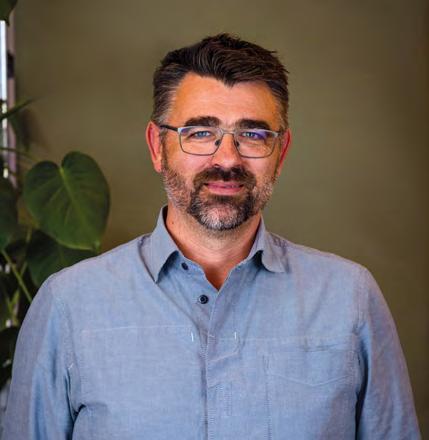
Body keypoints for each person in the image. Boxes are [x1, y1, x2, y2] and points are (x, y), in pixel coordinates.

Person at [3, 34, 421, 439]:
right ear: (157, 146)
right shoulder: (69, 306)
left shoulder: (350, 299)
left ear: (281, 152)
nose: (226, 159)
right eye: (200, 133)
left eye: (253, 134)